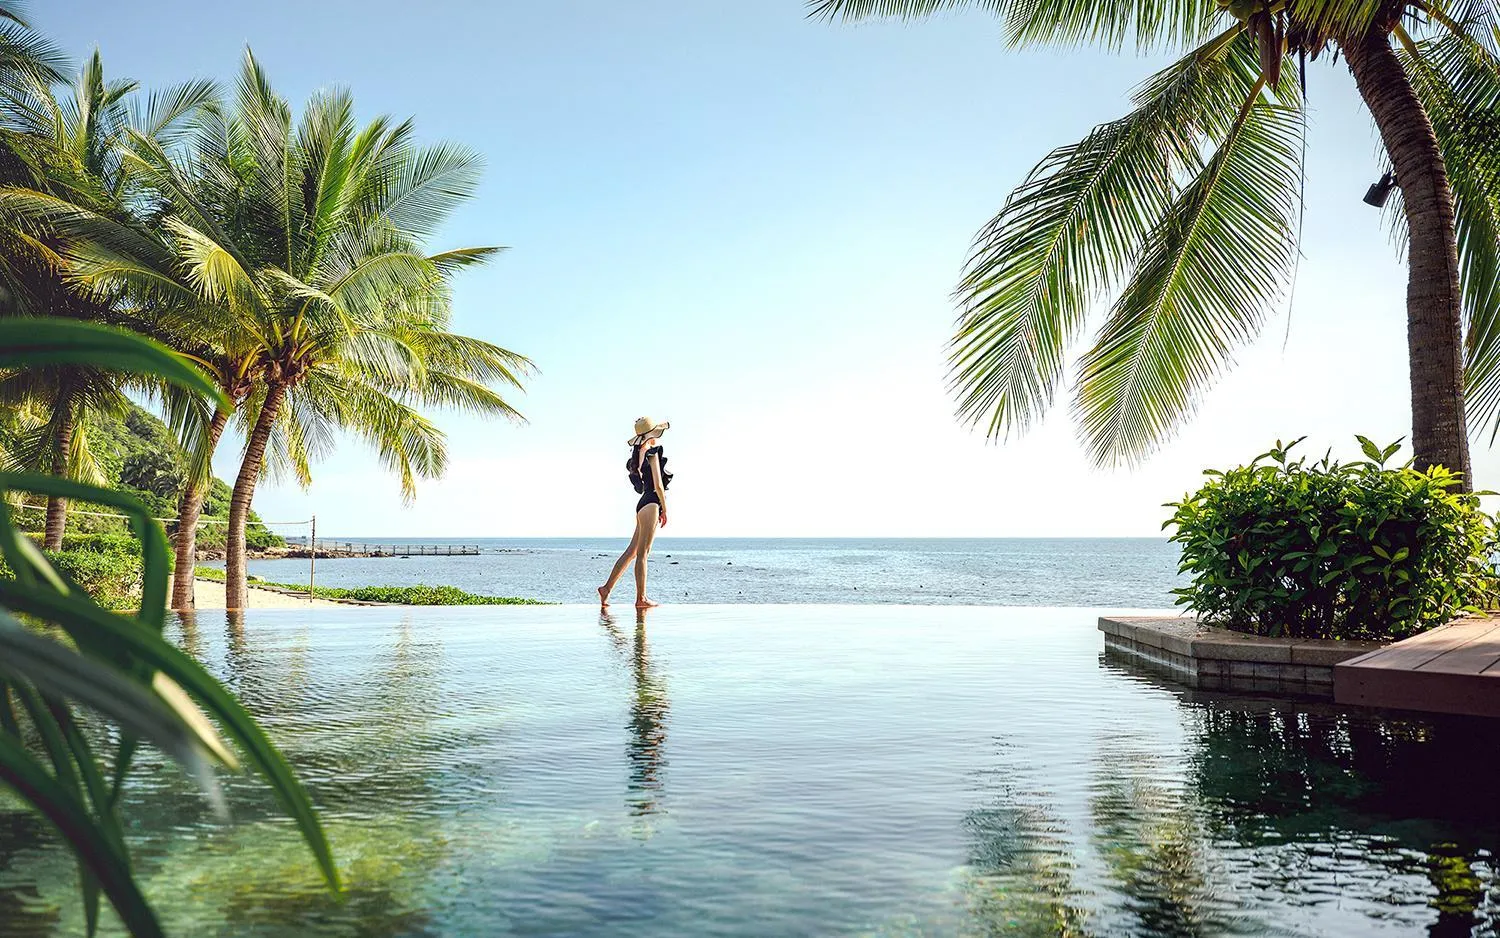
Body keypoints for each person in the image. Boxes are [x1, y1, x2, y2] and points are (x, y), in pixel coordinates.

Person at [599, 417, 672, 608]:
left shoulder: (637, 456)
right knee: (643, 553)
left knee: (632, 552)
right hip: (651, 504)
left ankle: (606, 589)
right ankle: (641, 598)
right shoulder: (652, 452)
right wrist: (665, 508)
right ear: (650, 435)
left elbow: (644, 486)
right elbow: (657, 485)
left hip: (642, 505)